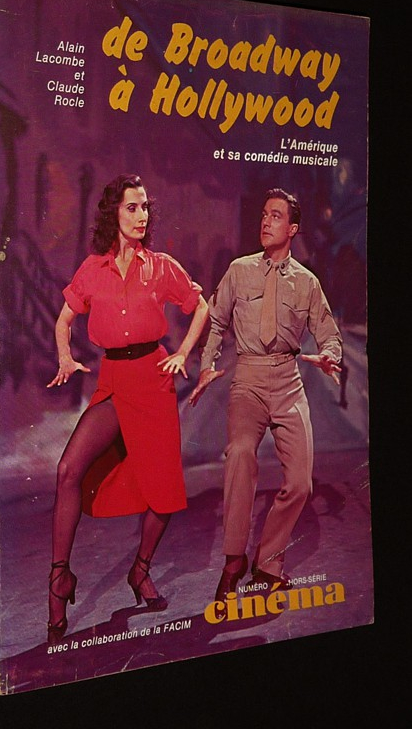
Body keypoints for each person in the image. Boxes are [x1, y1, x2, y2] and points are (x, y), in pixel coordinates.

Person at [46, 173, 208, 642]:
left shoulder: (161, 266)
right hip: (114, 383)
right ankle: (59, 579)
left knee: (164, 492)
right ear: (113, 213)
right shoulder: (92, 269)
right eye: (132, 207)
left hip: (153, 382)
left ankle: (140, 569)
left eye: (145, 207)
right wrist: (64, 357)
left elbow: (200, 305)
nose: (141, 216)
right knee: (68, 470)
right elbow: (64, 319)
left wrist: (183, 353)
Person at [189, 188, 342, 601]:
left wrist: (330, 355)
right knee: (240, 453)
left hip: (289, 383)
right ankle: (233, 560)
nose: (266, 221)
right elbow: (216, 321)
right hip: (249, 382)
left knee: (301, 484)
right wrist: (206, 364)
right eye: (264, 214)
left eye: (276, 216)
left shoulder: (307, 282)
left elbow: (329, 333)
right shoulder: (239, 271)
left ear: (292, 229)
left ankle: (268, 561)